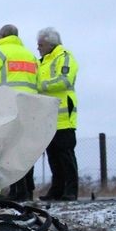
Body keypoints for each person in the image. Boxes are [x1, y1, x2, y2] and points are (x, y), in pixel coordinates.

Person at [0, 24, 39, 200]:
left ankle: (12, 192)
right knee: (23, 151)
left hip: (4, 109)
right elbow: (39, 83)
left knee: (6, 152)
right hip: (28, 108)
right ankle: (25, 191)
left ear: (1, 36)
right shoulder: (30, 55)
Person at [36, 27, 80, 200]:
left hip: (63, 116)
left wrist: (40, 86)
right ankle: (56, 190)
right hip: (47, 116)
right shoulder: (43, 61)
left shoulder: (65, 57)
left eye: (40, 44)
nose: (38, 48)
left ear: (50, 43)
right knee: (53, 155)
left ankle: (71, 191)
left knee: (65, 155)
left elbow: (65, 80)